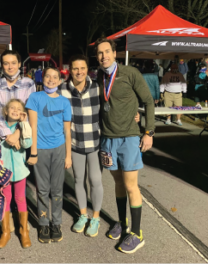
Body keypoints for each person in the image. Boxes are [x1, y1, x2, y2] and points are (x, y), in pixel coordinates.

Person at [94, 38, 155, 254]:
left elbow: (148, 101)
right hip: (107, 139)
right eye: (100, 53)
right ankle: (122, 223)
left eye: (107, 52)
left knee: (131, 185)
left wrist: (148, 131)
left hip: (129, 137)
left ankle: (137, 234)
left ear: (115, 53)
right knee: (118, 183)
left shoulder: (130, 73)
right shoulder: (99, 76)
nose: (104, 56)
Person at [0, 49, 36, 235]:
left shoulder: (29, 83)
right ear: (2, 65)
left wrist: (17, 134)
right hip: (1, 138)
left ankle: (24, 230)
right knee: (3, 192)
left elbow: (30, 110)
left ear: (19, 64)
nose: (10, 66)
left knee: (20, 192)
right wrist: (8, 135)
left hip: (22, 134)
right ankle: (6, 230)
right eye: (6, 63)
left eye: (13, 63)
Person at [58, 54, 104, 237]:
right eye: (75, 68)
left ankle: (96, 218)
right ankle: (83, 215)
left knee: (95, 181)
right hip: (75, 143)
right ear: (70, 70)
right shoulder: (62, 89)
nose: (79, 72)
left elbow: (112, 108)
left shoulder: (97, 88)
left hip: (95, 143)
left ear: (87, 69)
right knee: (78, 180)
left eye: (82, 68)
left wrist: (135, 116)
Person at [26, 67, 72, 243]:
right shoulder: (34, 98)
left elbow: (67, 131)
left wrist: (68, 156)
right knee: (43, 189)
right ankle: (44, 223)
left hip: (59, 149)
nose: (51, 80)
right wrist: (34, 152)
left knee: (57, 189)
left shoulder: (64, 102)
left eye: (55, 77)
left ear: (60, 81)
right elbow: (33, 127)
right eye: (48, 76)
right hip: (41, 150)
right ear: (42, 78)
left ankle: (56, 223)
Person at [0, 99, 33, 249]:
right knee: (5, 199)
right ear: (6, 111)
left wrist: (24, 124)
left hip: (19, 170)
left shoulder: (22, 126)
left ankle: (24, 232)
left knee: (20, 198)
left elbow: (27, 144)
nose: (15, 110)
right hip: (3, 171)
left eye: (19, 108)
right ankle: (6, 232)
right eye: (12, 108)